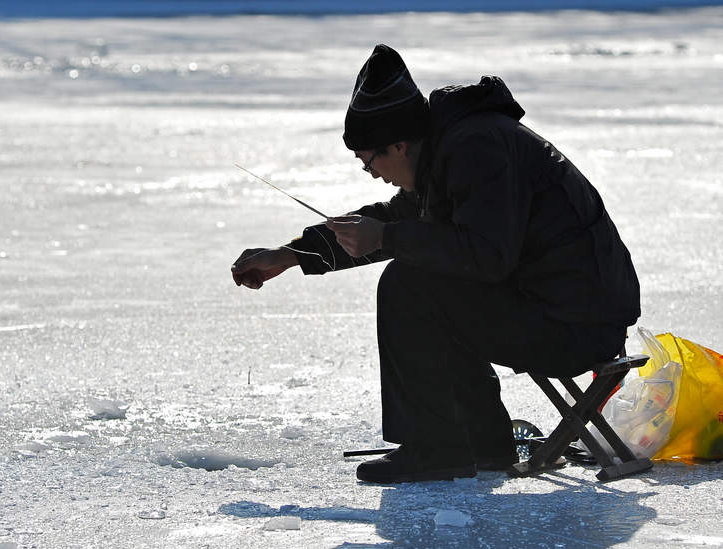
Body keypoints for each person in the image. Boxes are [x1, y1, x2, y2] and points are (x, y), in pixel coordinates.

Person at [230, 44, 640, 484]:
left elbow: (485, 255)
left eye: (368, 160)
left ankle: (439, 446)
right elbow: (398, 220)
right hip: (557, 309)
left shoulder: (477, 148)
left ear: (399, 145)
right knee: (426, 276)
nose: (371, 173)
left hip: (577, 324)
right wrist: (289, 256)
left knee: (409, 284)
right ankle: (481, 442)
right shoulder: (453, 152)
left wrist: (387, 238)